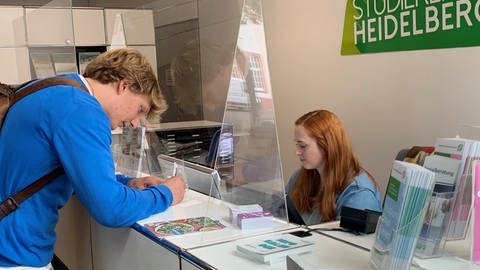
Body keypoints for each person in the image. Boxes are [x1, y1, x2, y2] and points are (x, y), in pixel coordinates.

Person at [0, 48, 186, 269]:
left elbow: (60, 171)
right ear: (123, 85)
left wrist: (127, 184)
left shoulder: (53, 88)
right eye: (139, 109)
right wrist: (166, 194)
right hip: (15, 257)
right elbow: (111, 208)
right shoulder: (82, 110)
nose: (135, 122)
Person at [286, 109, 382, 225]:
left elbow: (348, 242)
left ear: (327, 145)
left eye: (303, 146)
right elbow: (278, 213)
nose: (297, 152)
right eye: (297, 144)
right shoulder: (300, 177)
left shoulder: (359, 194)